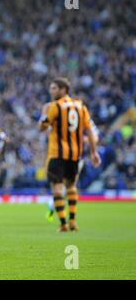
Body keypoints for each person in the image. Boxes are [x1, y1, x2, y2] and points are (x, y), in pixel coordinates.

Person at [39, 77, 101, 232]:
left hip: (56, 154)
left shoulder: (54, 106)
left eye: (54, 88)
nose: (51, 91)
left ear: (63, 89)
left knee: (57, 188)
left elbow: (42, 127)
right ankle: (73, 221)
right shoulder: (80, 106)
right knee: (71, 186)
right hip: (75, 154)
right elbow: (90, 131)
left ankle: (63, 224)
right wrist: (94, 152)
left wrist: (43, 113)